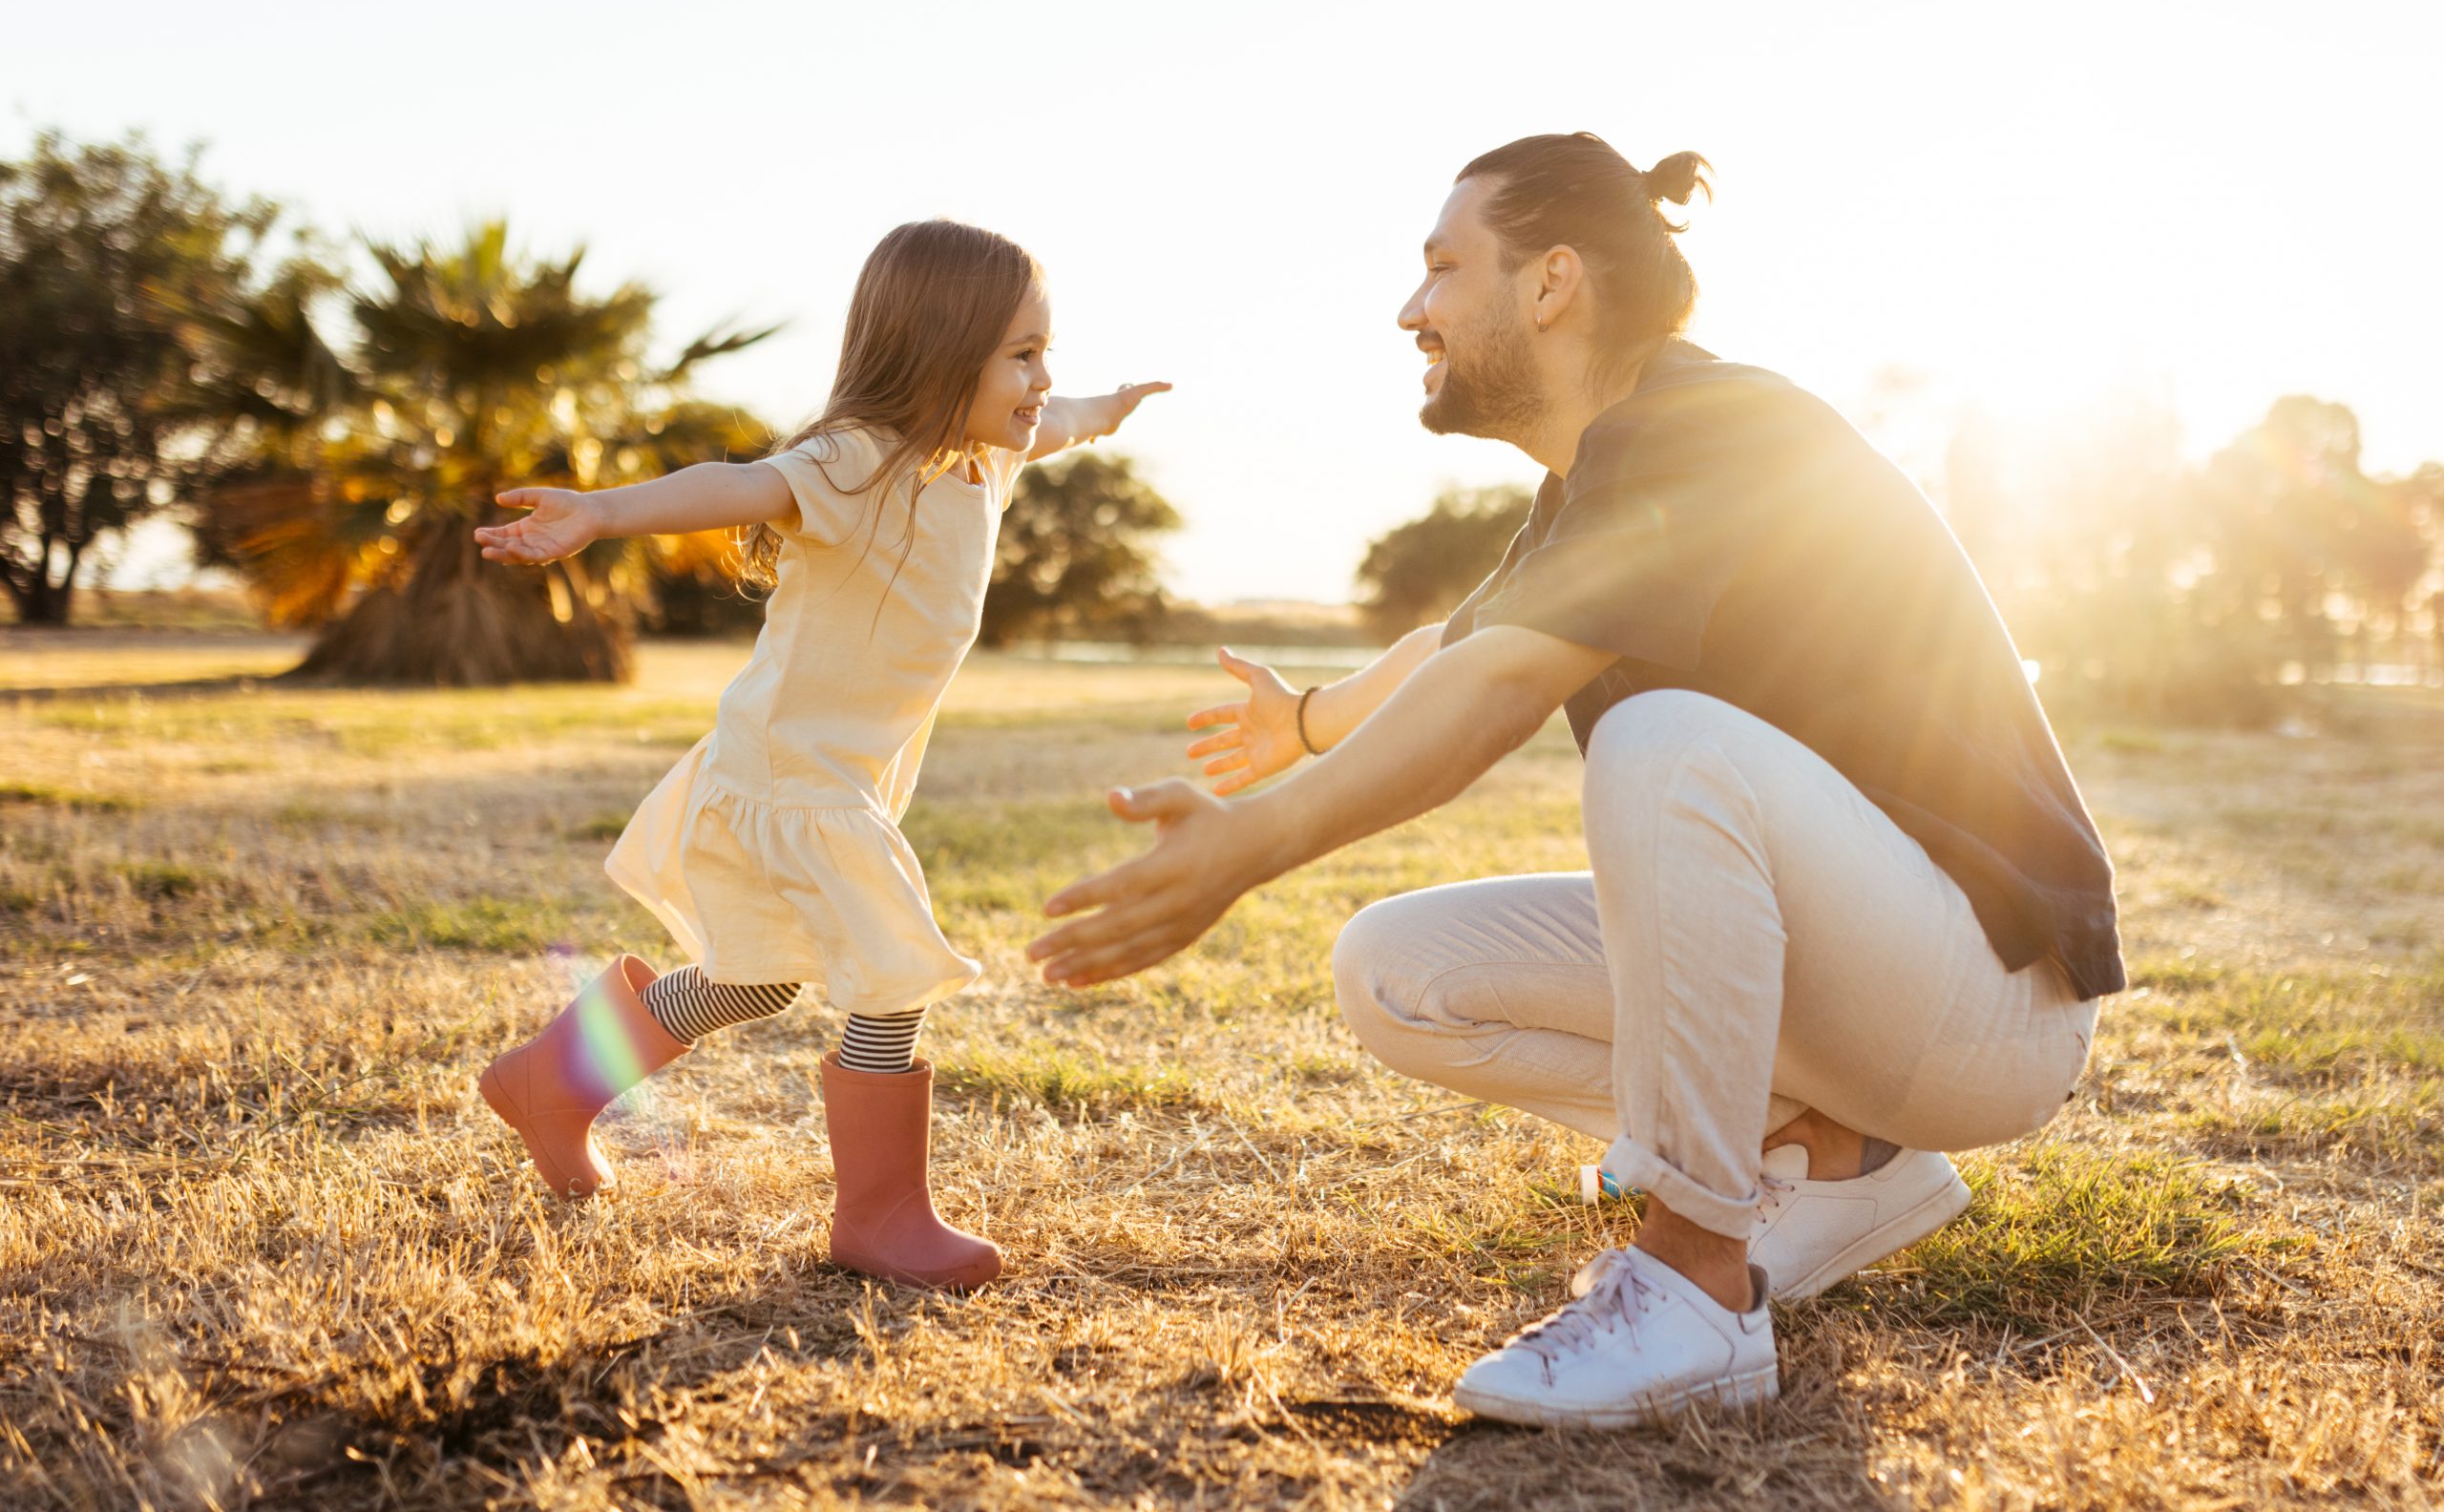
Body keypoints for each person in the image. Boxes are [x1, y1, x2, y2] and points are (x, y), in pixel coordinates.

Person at [1029, 134, 2117, 1425]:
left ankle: (1696, 1284)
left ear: (1552, 283)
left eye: (1441, 269)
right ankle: (1840, 1161)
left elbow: (1493, 690)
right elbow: (1456, 645)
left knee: (1665, 743)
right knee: (1396, 971)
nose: (1409, 309)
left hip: (1988, 1000)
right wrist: (1307, 722)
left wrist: (1249, 845)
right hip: (1872, 991)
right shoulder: (1601, 478)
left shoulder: (1718, 428)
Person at [470, 218, 1169, 1290]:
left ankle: (551, 1081)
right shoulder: (856, 461)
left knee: (755, 980)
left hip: (828, 773)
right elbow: (739, 485)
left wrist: (1108, 411)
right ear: (940, 351)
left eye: (1047, 350)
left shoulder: (988, 454)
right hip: (791, 773)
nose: (1042, 378)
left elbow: (1061, 420)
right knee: (891, 963)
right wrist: (603, 512)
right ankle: (880, 1216)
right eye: (1020, 354)